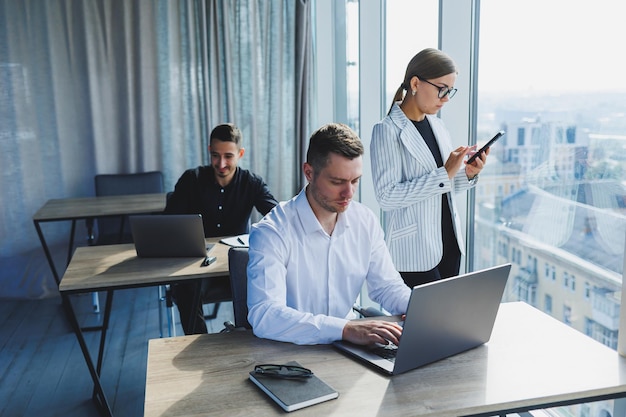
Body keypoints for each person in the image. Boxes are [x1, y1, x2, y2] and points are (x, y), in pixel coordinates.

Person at [247, 123, 411, 346]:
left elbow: (387, 287)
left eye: (355, 181)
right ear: (309, 173)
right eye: (337, 182)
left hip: (349, 349)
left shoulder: (365, 221)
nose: (349, 193)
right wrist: (344, 329)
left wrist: (421, 310)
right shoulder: (272, 232)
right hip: (289, 352)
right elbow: (265, 315)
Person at [370, 48, 488, 288]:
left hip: (448, 244)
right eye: (441, 89)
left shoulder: (437, 126)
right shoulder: (387, 131)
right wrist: (444, 173)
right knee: (420, 325)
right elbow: (387, 197)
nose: (445, 98)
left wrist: (467, 174)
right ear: (415, 83)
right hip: (415, 253)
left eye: (450, 91)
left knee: (446, 322)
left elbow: (441, 187)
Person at [164, 123, 278, 334]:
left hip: (235, 265)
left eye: (228, 156)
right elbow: (168, 224)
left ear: (240, 153)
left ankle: (250, 343)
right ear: (209, 151)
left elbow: (278, 217)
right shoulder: (192, 179)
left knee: (267, 281)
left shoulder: (251, 183)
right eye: (216, 155)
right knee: (186, 288)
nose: (222, 163)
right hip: (199, 265)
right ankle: (200, 349)